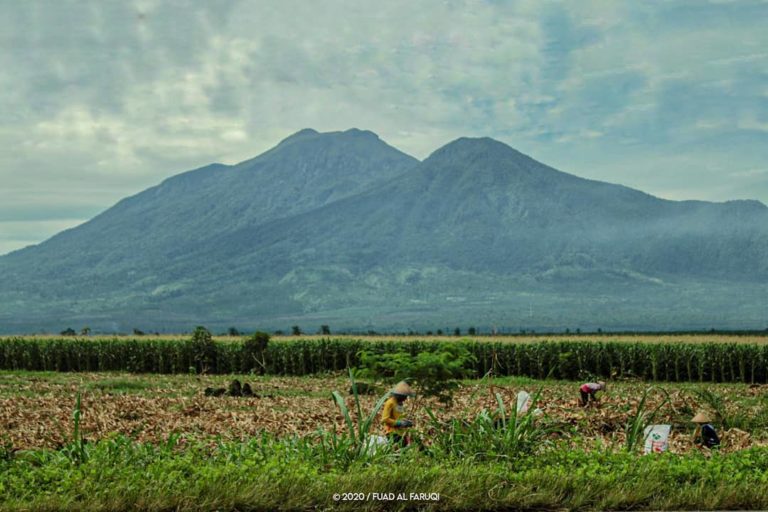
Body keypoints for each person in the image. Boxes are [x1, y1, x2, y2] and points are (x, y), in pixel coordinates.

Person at [381, 381, 415, 446]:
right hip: (391, 432)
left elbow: (399, 416)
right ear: (399, 395)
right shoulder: (390, 403)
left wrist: (406, 422)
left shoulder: (400, 403)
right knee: (397, 449)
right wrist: (399, 423)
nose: (405, 399)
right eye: (404, 397)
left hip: (400, 432)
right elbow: (384, 419)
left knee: (404, 448)